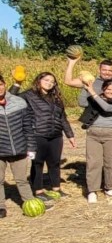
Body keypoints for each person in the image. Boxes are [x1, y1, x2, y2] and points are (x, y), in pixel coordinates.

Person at [22, 72, 75, 202]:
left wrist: (70, 134)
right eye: (46, 80)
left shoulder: (56, 98)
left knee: (54, 162)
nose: (49, 83)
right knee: (38, 163)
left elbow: (63, 118)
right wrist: (17, 83)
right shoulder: (28, 95)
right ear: (39, 80)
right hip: (38, 134)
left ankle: (56, 188)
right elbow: (11, 97)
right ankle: (38, 190)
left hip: (56, 135)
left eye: (52, 81)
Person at [81, 79, 112, 202]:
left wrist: (92, 92)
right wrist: (85, 89)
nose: (111, 91)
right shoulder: (94, 99)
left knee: (110, 163)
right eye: (108, 89)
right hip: (93, 135)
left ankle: (109, 188)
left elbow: (106, 108)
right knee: (93, 163)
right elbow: (81, 101)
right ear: (103, 89)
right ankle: (92, 191)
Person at [0, 73, 36, 218]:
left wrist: (31, 146)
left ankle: (29, 202)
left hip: (19, 147)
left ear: (4, 84)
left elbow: (28, 126)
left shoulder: (18, 102)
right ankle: (1, 206)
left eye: (1, 84)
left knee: (21, 179)